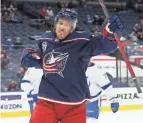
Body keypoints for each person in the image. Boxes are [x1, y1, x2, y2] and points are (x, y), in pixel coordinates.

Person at [21, 8, 124, 123]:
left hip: (74, 106)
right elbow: (39, 56)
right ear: (55, 24)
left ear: (72, 28)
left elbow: (105, 45)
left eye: (67, 25)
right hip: (47, 101)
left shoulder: (82, 41)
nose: (62, 27)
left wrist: (109, 32)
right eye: (60, 23)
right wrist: (29, 56)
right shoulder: (45, 39)